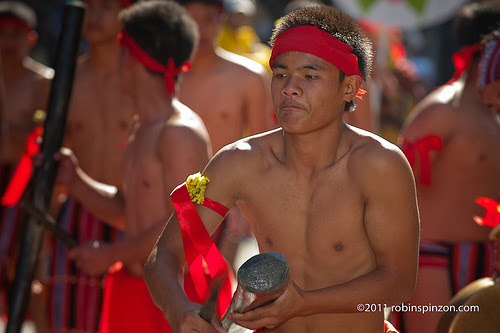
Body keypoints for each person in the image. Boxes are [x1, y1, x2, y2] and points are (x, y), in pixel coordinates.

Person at [145, 5, 419, 333]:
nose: (290, 86)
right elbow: (164, 254)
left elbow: (399, 282)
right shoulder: (238, 161)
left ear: (349, 87)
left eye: (310, 74)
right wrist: (180, 310)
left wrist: (305, 302)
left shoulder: (381, 165)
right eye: (280, 74)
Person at [54, 1, 211, 331]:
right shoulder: (142, 128)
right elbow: (128, 211)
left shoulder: (179, 132)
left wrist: (115, 251)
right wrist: (76, 180)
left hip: (173, 296)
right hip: (130, 285)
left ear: (134, 58)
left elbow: (186, 223)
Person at [399, 2, 500, 333]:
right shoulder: (440, 112)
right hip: (434, 257)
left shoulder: (495, 111)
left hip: (491, 256)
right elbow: (395, 187)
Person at [43, 0, 135, 331]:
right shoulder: (65, 80)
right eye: (90, 5)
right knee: (69, 322)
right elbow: (54, 159)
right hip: (76, 218)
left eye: (107, 7)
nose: (95, 15)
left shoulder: (141, 79)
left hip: (133, 216)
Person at [174, 0, 274, 267]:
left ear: (222, 20)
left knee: (211, 302)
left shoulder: (249, 77)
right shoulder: (161, 77)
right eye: (191, 19)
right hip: (164, 200)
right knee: (161, 296)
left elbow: (262, 150)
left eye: (208, 18)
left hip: (222, 204)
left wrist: (248, 207)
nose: (200, 29)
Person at [0, 1, 52, 328]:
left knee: (25, 268)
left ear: (30, 38)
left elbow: (49, 142)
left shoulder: (43, 83)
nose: (8, 42)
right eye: (1, 34)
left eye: (15, 35)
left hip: (24, 183)